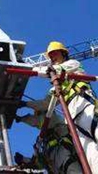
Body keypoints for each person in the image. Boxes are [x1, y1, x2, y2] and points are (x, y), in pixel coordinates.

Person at [25, 41, 98, 173]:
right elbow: (45, 104)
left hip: (84, 106)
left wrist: (27, 69)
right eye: (50, 56)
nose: (52, 58)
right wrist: (24, 104)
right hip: (74, 123)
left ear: (64, 53)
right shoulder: (56, 87)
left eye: (55, 53)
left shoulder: (73, 64)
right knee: (91, 155)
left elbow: (56, 70)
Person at [15, 109, 81, 173]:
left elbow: (36, 120)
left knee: (71, 167)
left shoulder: (55, 121)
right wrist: (23, 159)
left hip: (66, 156)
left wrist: (21, 119)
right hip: (59, 163)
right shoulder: (45, 146)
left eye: (38, 116)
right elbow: (39, 163)